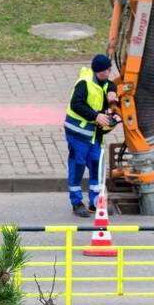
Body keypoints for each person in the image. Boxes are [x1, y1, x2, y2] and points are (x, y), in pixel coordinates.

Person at [64, 53, 119, 218]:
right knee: (78, 167)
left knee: (97, 167)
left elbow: (109, 85)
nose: (109, 73)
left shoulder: (102, 82)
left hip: (94, 136)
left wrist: (112, 91)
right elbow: (76, 104)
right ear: (99, 71)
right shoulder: (85, 83)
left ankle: (95, 202)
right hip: (78, 135)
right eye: (107, 70)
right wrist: (96, 116)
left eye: (109, 70)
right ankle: (76, 203)